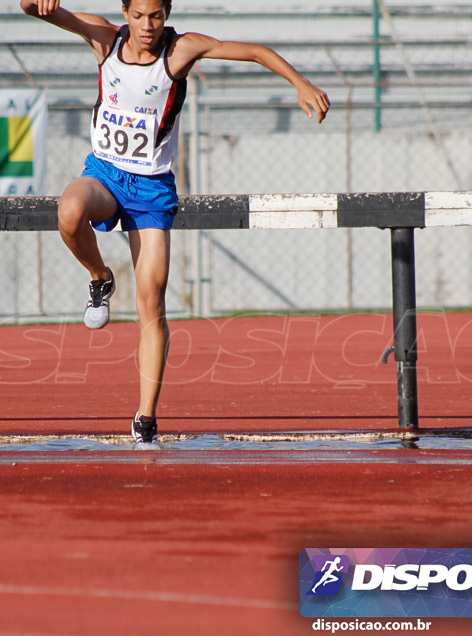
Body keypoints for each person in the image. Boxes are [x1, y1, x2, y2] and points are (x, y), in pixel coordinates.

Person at [20, 0, 330, 446]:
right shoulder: (105, 40)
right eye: (139, 16)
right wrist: (37, 4)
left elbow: (256, 51)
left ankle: (145, 418)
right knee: (68, 213)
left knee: (152, 305)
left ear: (166, 12)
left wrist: (299, 83)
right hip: (104, 175)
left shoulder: (180, 52)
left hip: (150, 192)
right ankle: (100, 275)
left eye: (156, 16)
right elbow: (43, 12)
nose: (147, 27)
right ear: (125, 11)